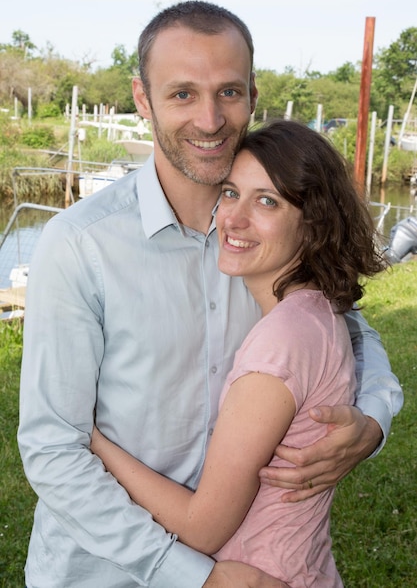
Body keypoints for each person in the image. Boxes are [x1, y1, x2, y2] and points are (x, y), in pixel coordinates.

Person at [18, 1, 403, 588]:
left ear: (252, 94)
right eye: (181, 95)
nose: (209, 118)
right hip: (107, 572)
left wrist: (373, 420)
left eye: (228, 92)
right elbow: (52, 448)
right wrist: (191, 574)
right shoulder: (80, 246)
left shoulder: (270, 237)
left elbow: (348, 327)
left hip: (255, 559)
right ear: (142, 100)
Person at [90, 118, 388, 586]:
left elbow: (201, 527)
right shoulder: (314, 314)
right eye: (230, 193)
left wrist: (94, 442)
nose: (233, 217)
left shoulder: (282, 341)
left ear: (313, 225)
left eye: (266, 201)